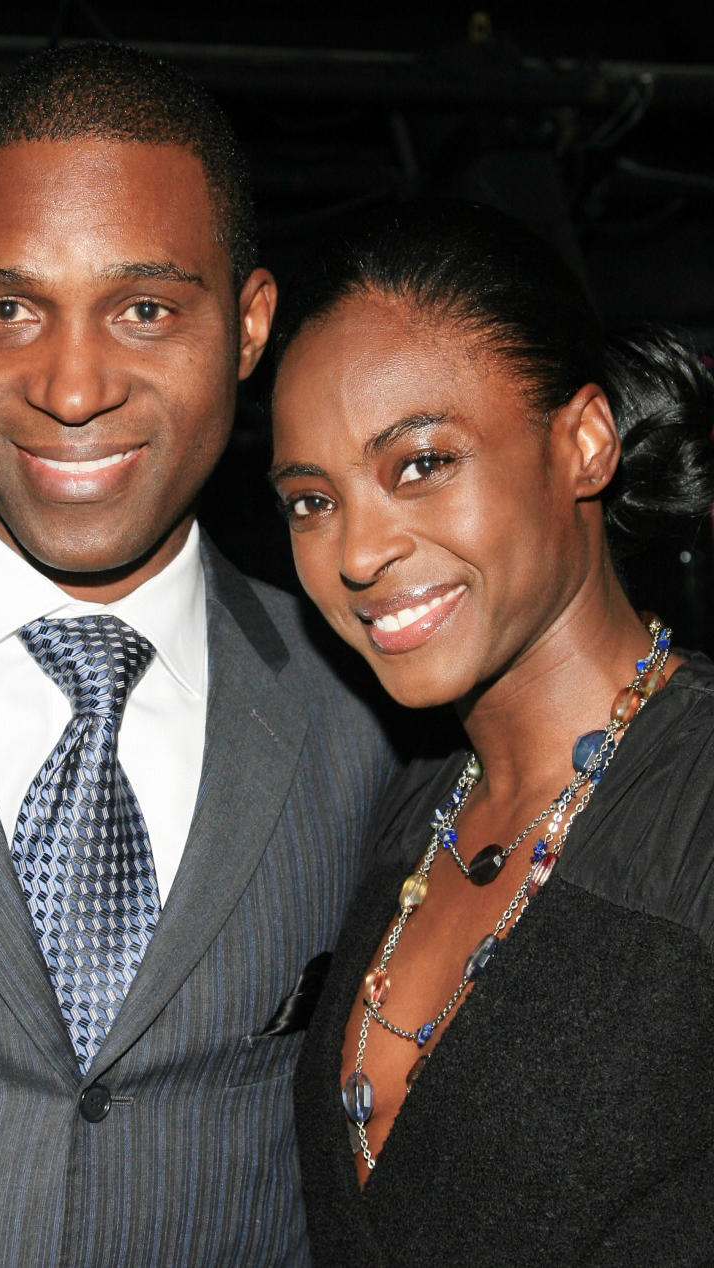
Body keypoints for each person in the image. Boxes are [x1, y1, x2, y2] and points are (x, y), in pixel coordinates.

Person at [0, 44, 398, 1266]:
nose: (72, 384)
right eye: (9, 307)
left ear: (250, 324)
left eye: (145, 308)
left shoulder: (369, 713)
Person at [270, 200, 714, 1266]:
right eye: (310, 500)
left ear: (585, 443)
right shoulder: (410, 806)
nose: (358, 551)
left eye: (420, 462)